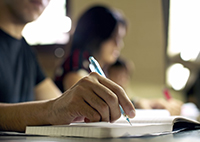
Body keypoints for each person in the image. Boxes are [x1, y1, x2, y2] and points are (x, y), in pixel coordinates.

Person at [0, 0, 135, 132]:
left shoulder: (25, 50)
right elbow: (55, 107)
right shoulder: (77, 61)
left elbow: (59, 102)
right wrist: (53, 110)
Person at [54, 5, 127, 91]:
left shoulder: (99, 68)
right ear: (97, 37)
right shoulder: (77, 64)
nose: (119, 45)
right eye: (114, 38)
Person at [107, 58, 183, 115]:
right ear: (108, 76)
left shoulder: (133, 100)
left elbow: (134, 102)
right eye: (117, 76)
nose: (122, 80)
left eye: (125, 76)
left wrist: (151, 103)